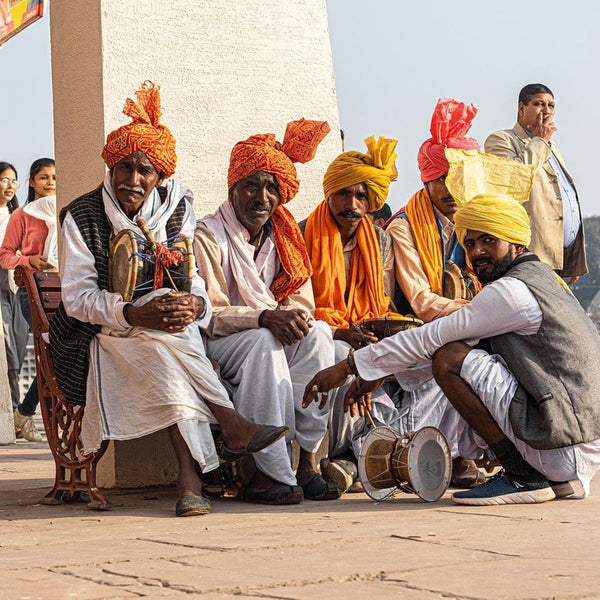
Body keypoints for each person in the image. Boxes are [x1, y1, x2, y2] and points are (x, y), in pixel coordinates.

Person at [47, 82, 287, 517]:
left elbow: (191, 279)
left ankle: (192, 477)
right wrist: (133, 312)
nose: (133, 181)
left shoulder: (176, 208)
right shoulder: (81, 215)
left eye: (145, 172)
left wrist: (195, 306)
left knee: (166, 341)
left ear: (160, 177)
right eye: (125, 169)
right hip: (98, 335)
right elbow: (78, 299)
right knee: (163, 338)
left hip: (164, 336)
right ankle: (221, 435)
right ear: (111, 169)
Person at [304, 192, 600, 505]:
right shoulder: (539, 279)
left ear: (516, 243)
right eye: (470, 244)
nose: (478, 252)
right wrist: (382, 370)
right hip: (576, 445)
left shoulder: (512, 292)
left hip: (563, 443)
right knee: (454, 353)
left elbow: (431, 338)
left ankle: (522, 475)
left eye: (488, 240)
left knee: (449, 360)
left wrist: (349, 366)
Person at [194, 119, 339, 505]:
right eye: (252, 185)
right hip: (221, 345)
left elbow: (302, 302)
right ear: (232, 188)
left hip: (267, 333)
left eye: (272, 187)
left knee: (319, 336)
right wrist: (263, 317)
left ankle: (306, 462)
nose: (262, 197)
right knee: (262, 341)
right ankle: (265, 474)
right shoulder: (208, 235)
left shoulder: (285, 238)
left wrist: (290, 316)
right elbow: (209, 314)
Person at [385, 99, 484, 487]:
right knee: (460, 353)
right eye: (440, 179)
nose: (449, 189)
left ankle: (474, 451)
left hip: (462, 321)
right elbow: (423, 301)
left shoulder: (473, 224)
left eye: (457, 179)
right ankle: (451, 453)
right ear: (426, 180)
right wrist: (479, 312)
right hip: (412, 330)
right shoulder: (404, 228)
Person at [301, 136, 399, 493]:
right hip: (318, 333)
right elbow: (295, 303)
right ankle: (334, 458)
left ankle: (356, 459)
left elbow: (381, 303)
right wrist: (339, 331)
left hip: (363, 331)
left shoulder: (380, 240)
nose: (352, 205)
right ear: (329, 195)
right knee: (343, 358)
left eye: (361, 196)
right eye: (343, 194)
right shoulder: (301, 234)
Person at [485, 83, 586, 284]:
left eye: (551, 105)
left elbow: (561, 197)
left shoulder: (552, 146)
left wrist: (570, 256)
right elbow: (513, 181)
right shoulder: (502, 140)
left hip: (557, 256)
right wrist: (539, 141)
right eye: (539, 104)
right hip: (529, 255)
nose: (547, 111)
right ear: (522, 109)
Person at [0, 157, 57, 442]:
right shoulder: (21, 216)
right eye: (44, 177)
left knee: (58, 352)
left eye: (55, 177)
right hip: (31, 289)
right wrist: (30, 259)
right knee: (50, 349)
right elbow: (5, 255)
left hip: (62, 288)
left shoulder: (63, 212)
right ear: (32, 181)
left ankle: (26, 411)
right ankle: (41, 416)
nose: (50, 183)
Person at [0, 162, 28, 414]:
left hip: (16, 285)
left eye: (13, 181)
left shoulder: (18, 216)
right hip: (0, 289)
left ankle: (14, 406)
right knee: (6, 345)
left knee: (18, 346)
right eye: (4, 180)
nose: (9, 186)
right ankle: (14, 406)